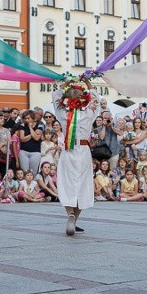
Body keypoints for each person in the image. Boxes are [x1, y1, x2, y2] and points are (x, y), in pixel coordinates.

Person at [52, 77, 100, 235]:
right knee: (83, 183)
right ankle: (75, 217)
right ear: (83, 100)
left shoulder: (63, 115)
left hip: (68, 151)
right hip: (84, 151)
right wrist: (88, 83)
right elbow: (95, 99)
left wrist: (65, 84)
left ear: (67, 100)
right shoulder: (89, 114)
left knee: (68, 182)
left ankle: (70, 215)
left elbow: (56, 98)